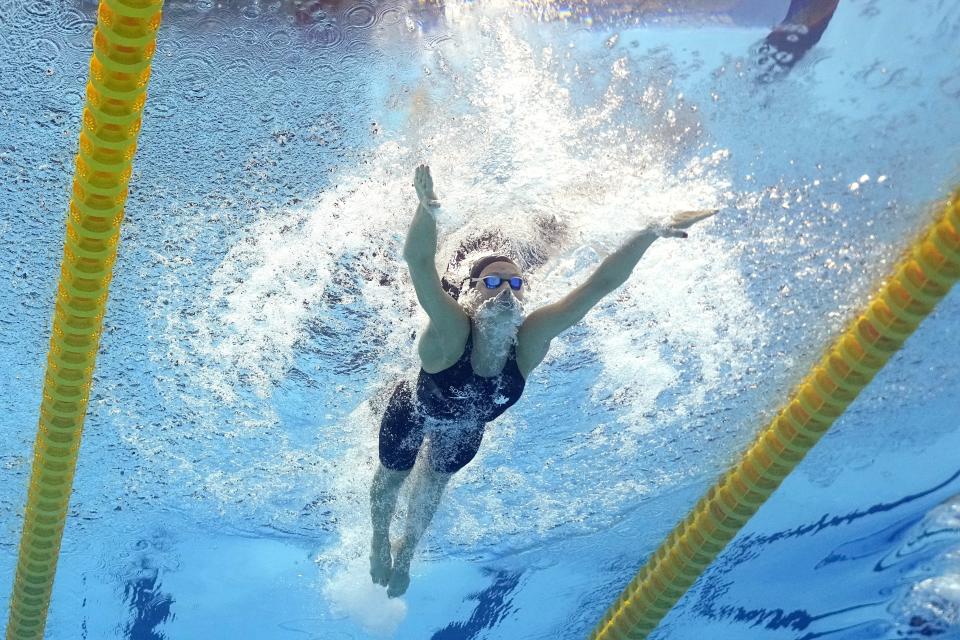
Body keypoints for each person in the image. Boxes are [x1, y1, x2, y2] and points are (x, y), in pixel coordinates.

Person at [369, 164, 717, 597]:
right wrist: (427, 210)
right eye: (492, 281)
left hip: (466, 430)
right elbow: (419, 263)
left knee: (433, 483)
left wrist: (650, 231)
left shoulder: (531, 339)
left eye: (515, 282)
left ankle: (406, 554)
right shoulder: (452, 330)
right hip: (415, 411)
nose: (506, 291)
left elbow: (600, 285)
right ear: (471, 291)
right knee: (391, 479)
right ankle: (379, 541)